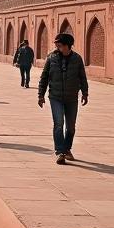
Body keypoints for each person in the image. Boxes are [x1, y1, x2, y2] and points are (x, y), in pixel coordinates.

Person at [38, 33, 89, 164]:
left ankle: (67, 149)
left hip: (72, 97)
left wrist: (85, 93)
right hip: (55, 96)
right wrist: (40, 95)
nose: (57, 47)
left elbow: (82, 77)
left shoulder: (77, 59)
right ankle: (60, 151)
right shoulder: (51, 58)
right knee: (59, 124)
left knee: (71, 127)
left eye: (60, 45)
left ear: (68, 46)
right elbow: (44, 77)